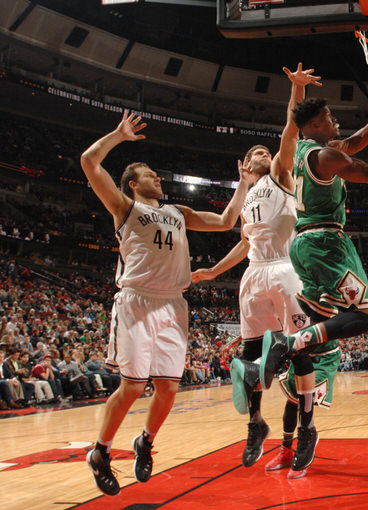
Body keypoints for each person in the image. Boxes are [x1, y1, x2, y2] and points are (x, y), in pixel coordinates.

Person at [80, 108, 251, 496]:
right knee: (133, 384)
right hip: (137, 302)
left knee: (169, 388)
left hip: (174, 304)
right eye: (150, 175)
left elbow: (225, 221)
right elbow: (89, 162)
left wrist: (241, 186)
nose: (158, 178)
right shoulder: (125, 207)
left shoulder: (178, 212)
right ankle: (100, 451)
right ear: (132, 184)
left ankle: (145, 441)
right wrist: (118, 136)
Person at [256, 93, 368, 473]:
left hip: (301, 247)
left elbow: (351, 144)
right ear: (314, 125)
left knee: (309, 349)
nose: (336, 122)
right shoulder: (325, 156)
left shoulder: (304, 152)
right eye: (329, 117)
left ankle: (300, 435)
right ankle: (287, 342)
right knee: (363, 316)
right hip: (326, 243)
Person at [191, 63, 321, 472]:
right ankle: (255, 423)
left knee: (300, 351)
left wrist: (295, 91)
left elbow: (290, 130)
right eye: (255, 153)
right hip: (253, 273)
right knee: (248, 357)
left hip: (285, 269)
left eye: (265, 151)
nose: (263, 153)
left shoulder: (282, 175)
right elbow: (244, 244)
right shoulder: (247, 200)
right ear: (245, 166)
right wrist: (213, 271)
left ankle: (307, 428)